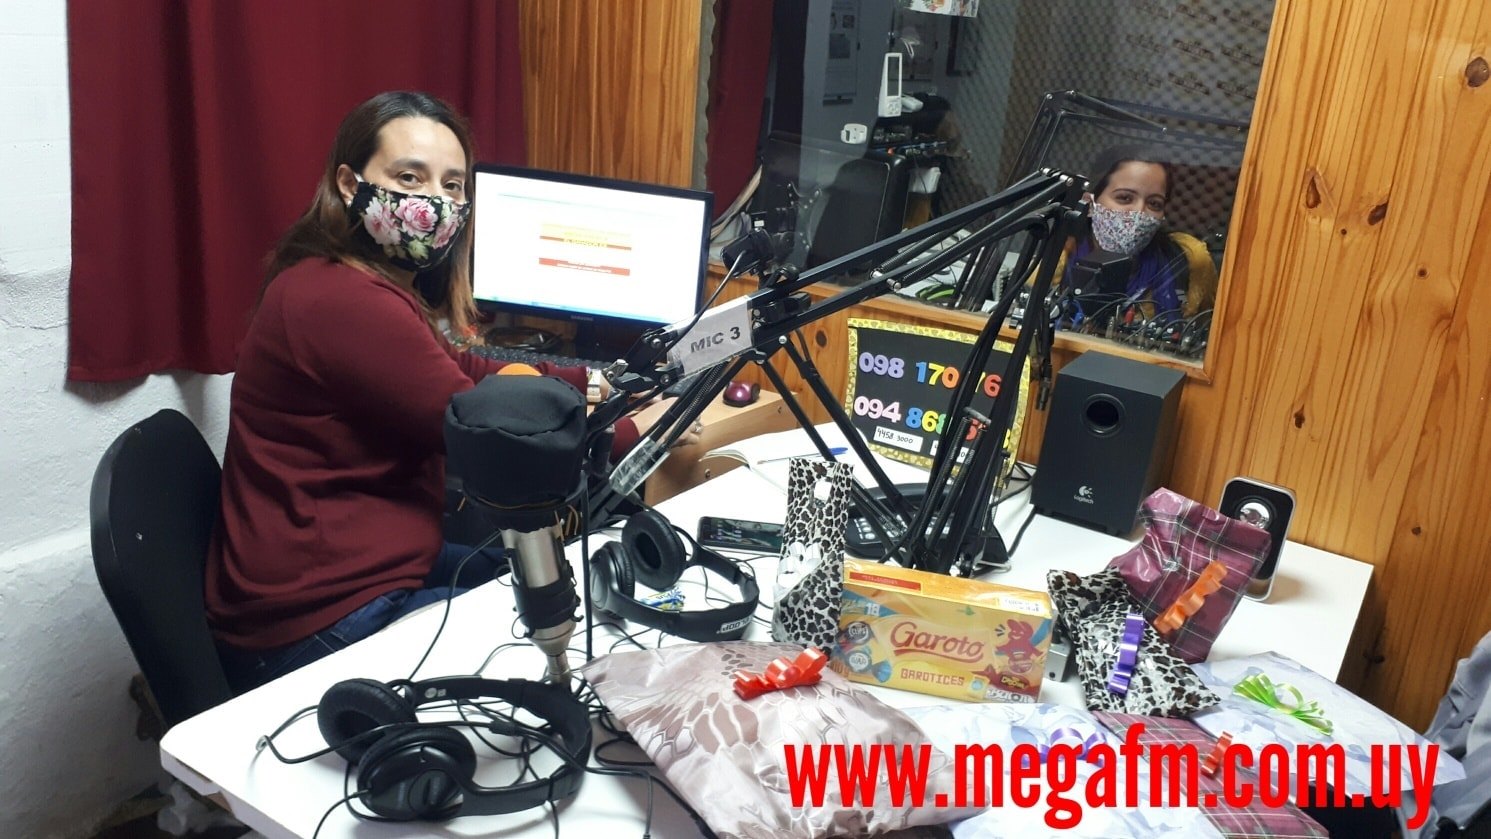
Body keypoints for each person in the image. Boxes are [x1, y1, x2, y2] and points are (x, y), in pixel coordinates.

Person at [206, 91, 695, 692]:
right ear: (349, 184)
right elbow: (490, 440)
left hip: (370, 564)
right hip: (322, 616)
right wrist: (635, 430)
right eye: (409, 178)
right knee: (573, 651)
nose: (434, 202)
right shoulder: (342, 301)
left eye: (453, 185)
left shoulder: (352, 280)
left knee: (558, 589)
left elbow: (465, 369)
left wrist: (596, 383)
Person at [1059, 145, 1218, 322]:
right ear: (1089, 203)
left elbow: (1210, 327)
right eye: (1125, 198)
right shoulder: (1058, 257)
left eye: (1154, 203)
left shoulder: (1189, 259)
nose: (1139, 212)